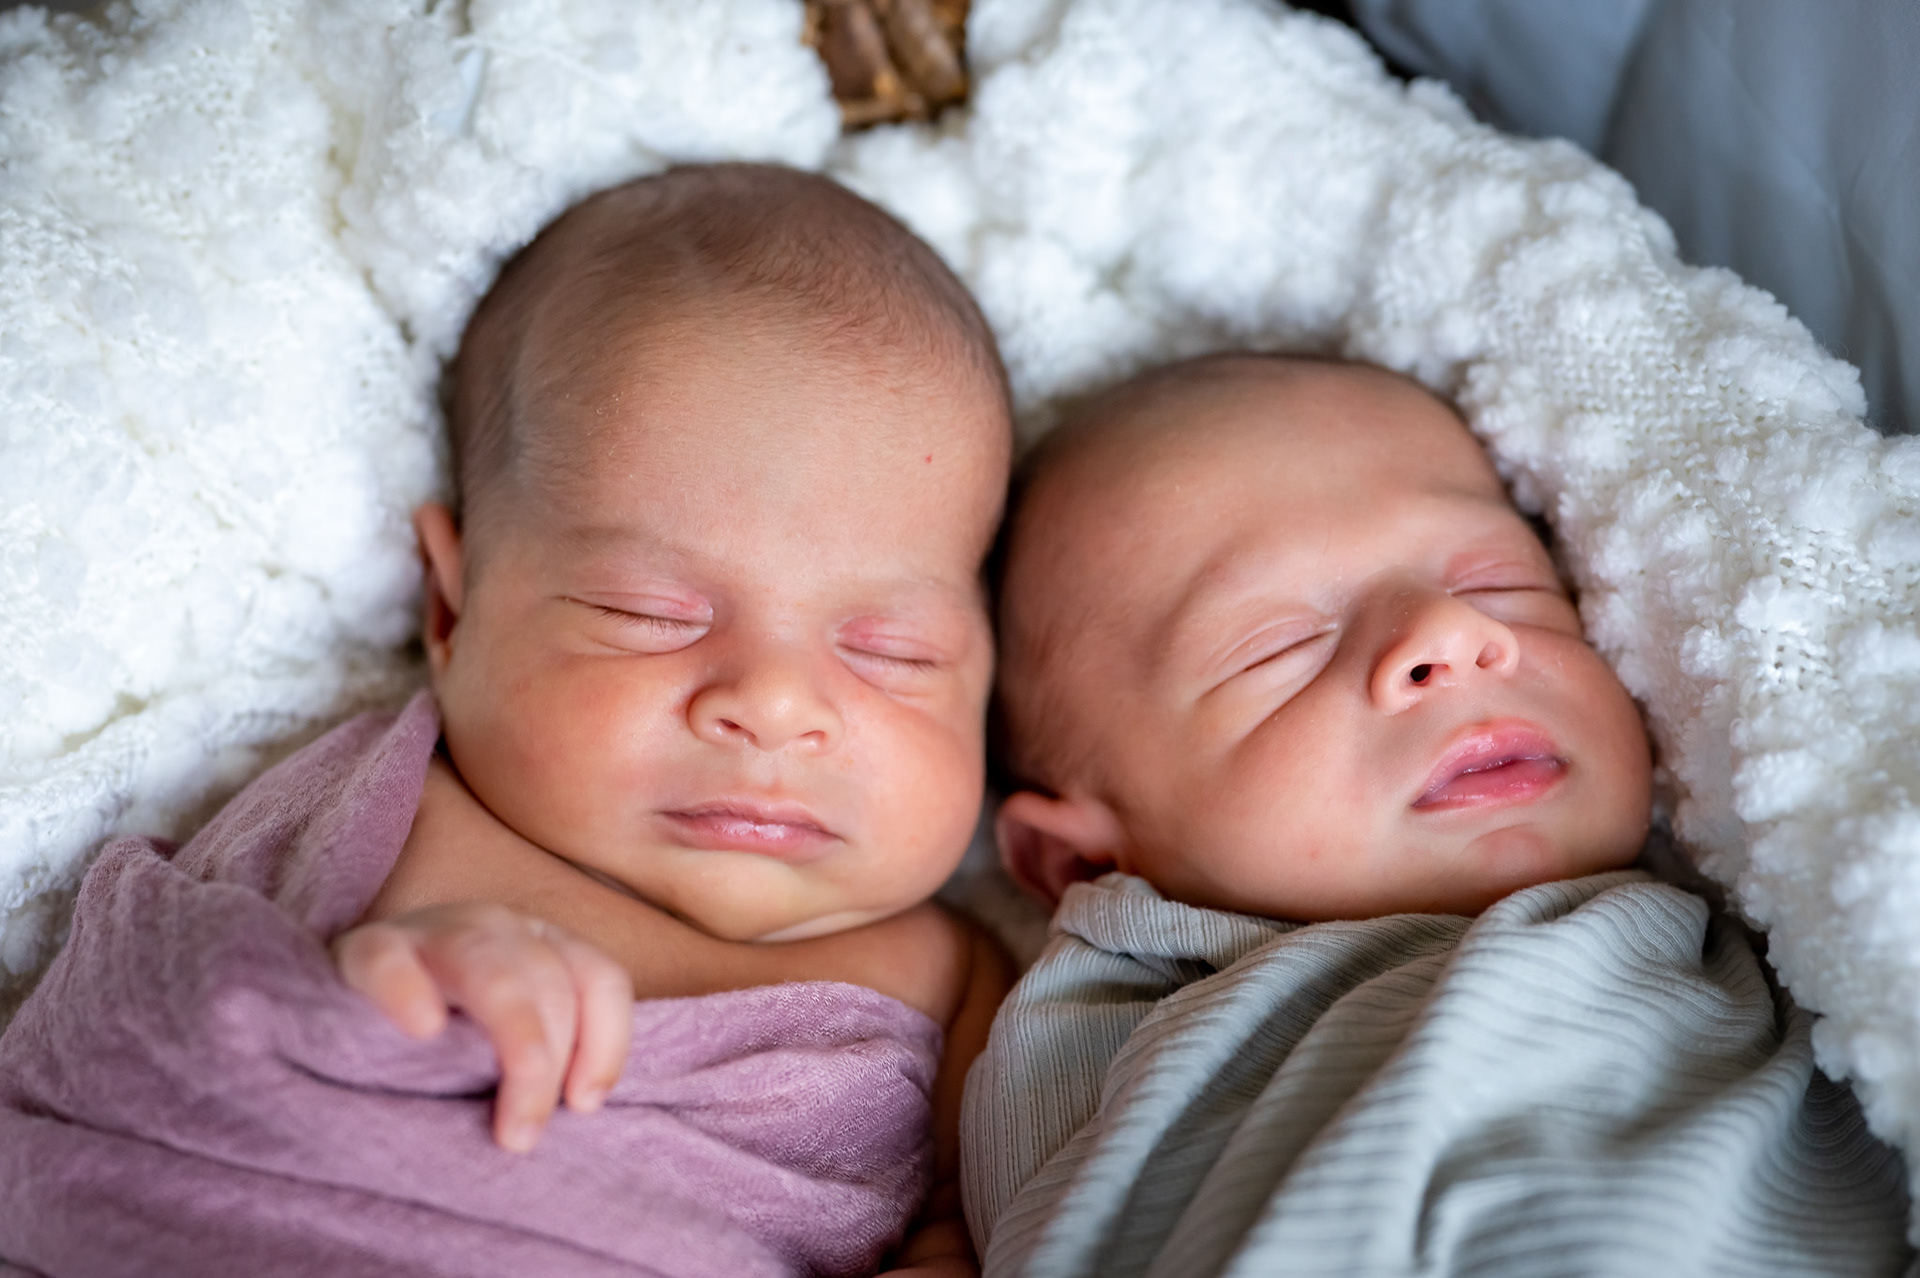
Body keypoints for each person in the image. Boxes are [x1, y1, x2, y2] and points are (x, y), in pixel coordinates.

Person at [0, 163, 1012, 1278]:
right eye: (649, 614)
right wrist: (375, 985)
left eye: (892, 652)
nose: (774, 706)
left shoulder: (966, 981)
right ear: (452, 606)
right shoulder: (380, 810)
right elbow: (108, 1032)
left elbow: (1006, 1230)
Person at [964, 353, 1910, 1276]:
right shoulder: (1102, 1026)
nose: (1452, 635)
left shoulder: (1812, 923)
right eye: (1278, 646)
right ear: (1080, 867)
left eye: (1499, 583)